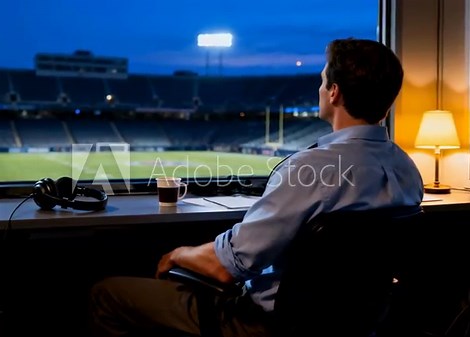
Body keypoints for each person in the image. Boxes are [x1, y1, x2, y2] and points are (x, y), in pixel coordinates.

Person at [89, 38, 424, 337]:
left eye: (323, 81)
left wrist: (177, 254)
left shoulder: (311, 168)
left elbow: (227, 266)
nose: (320, 89)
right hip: (357, 323)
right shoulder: (406, 169)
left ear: (334, 92)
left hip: (265, 324)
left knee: (107, 293)